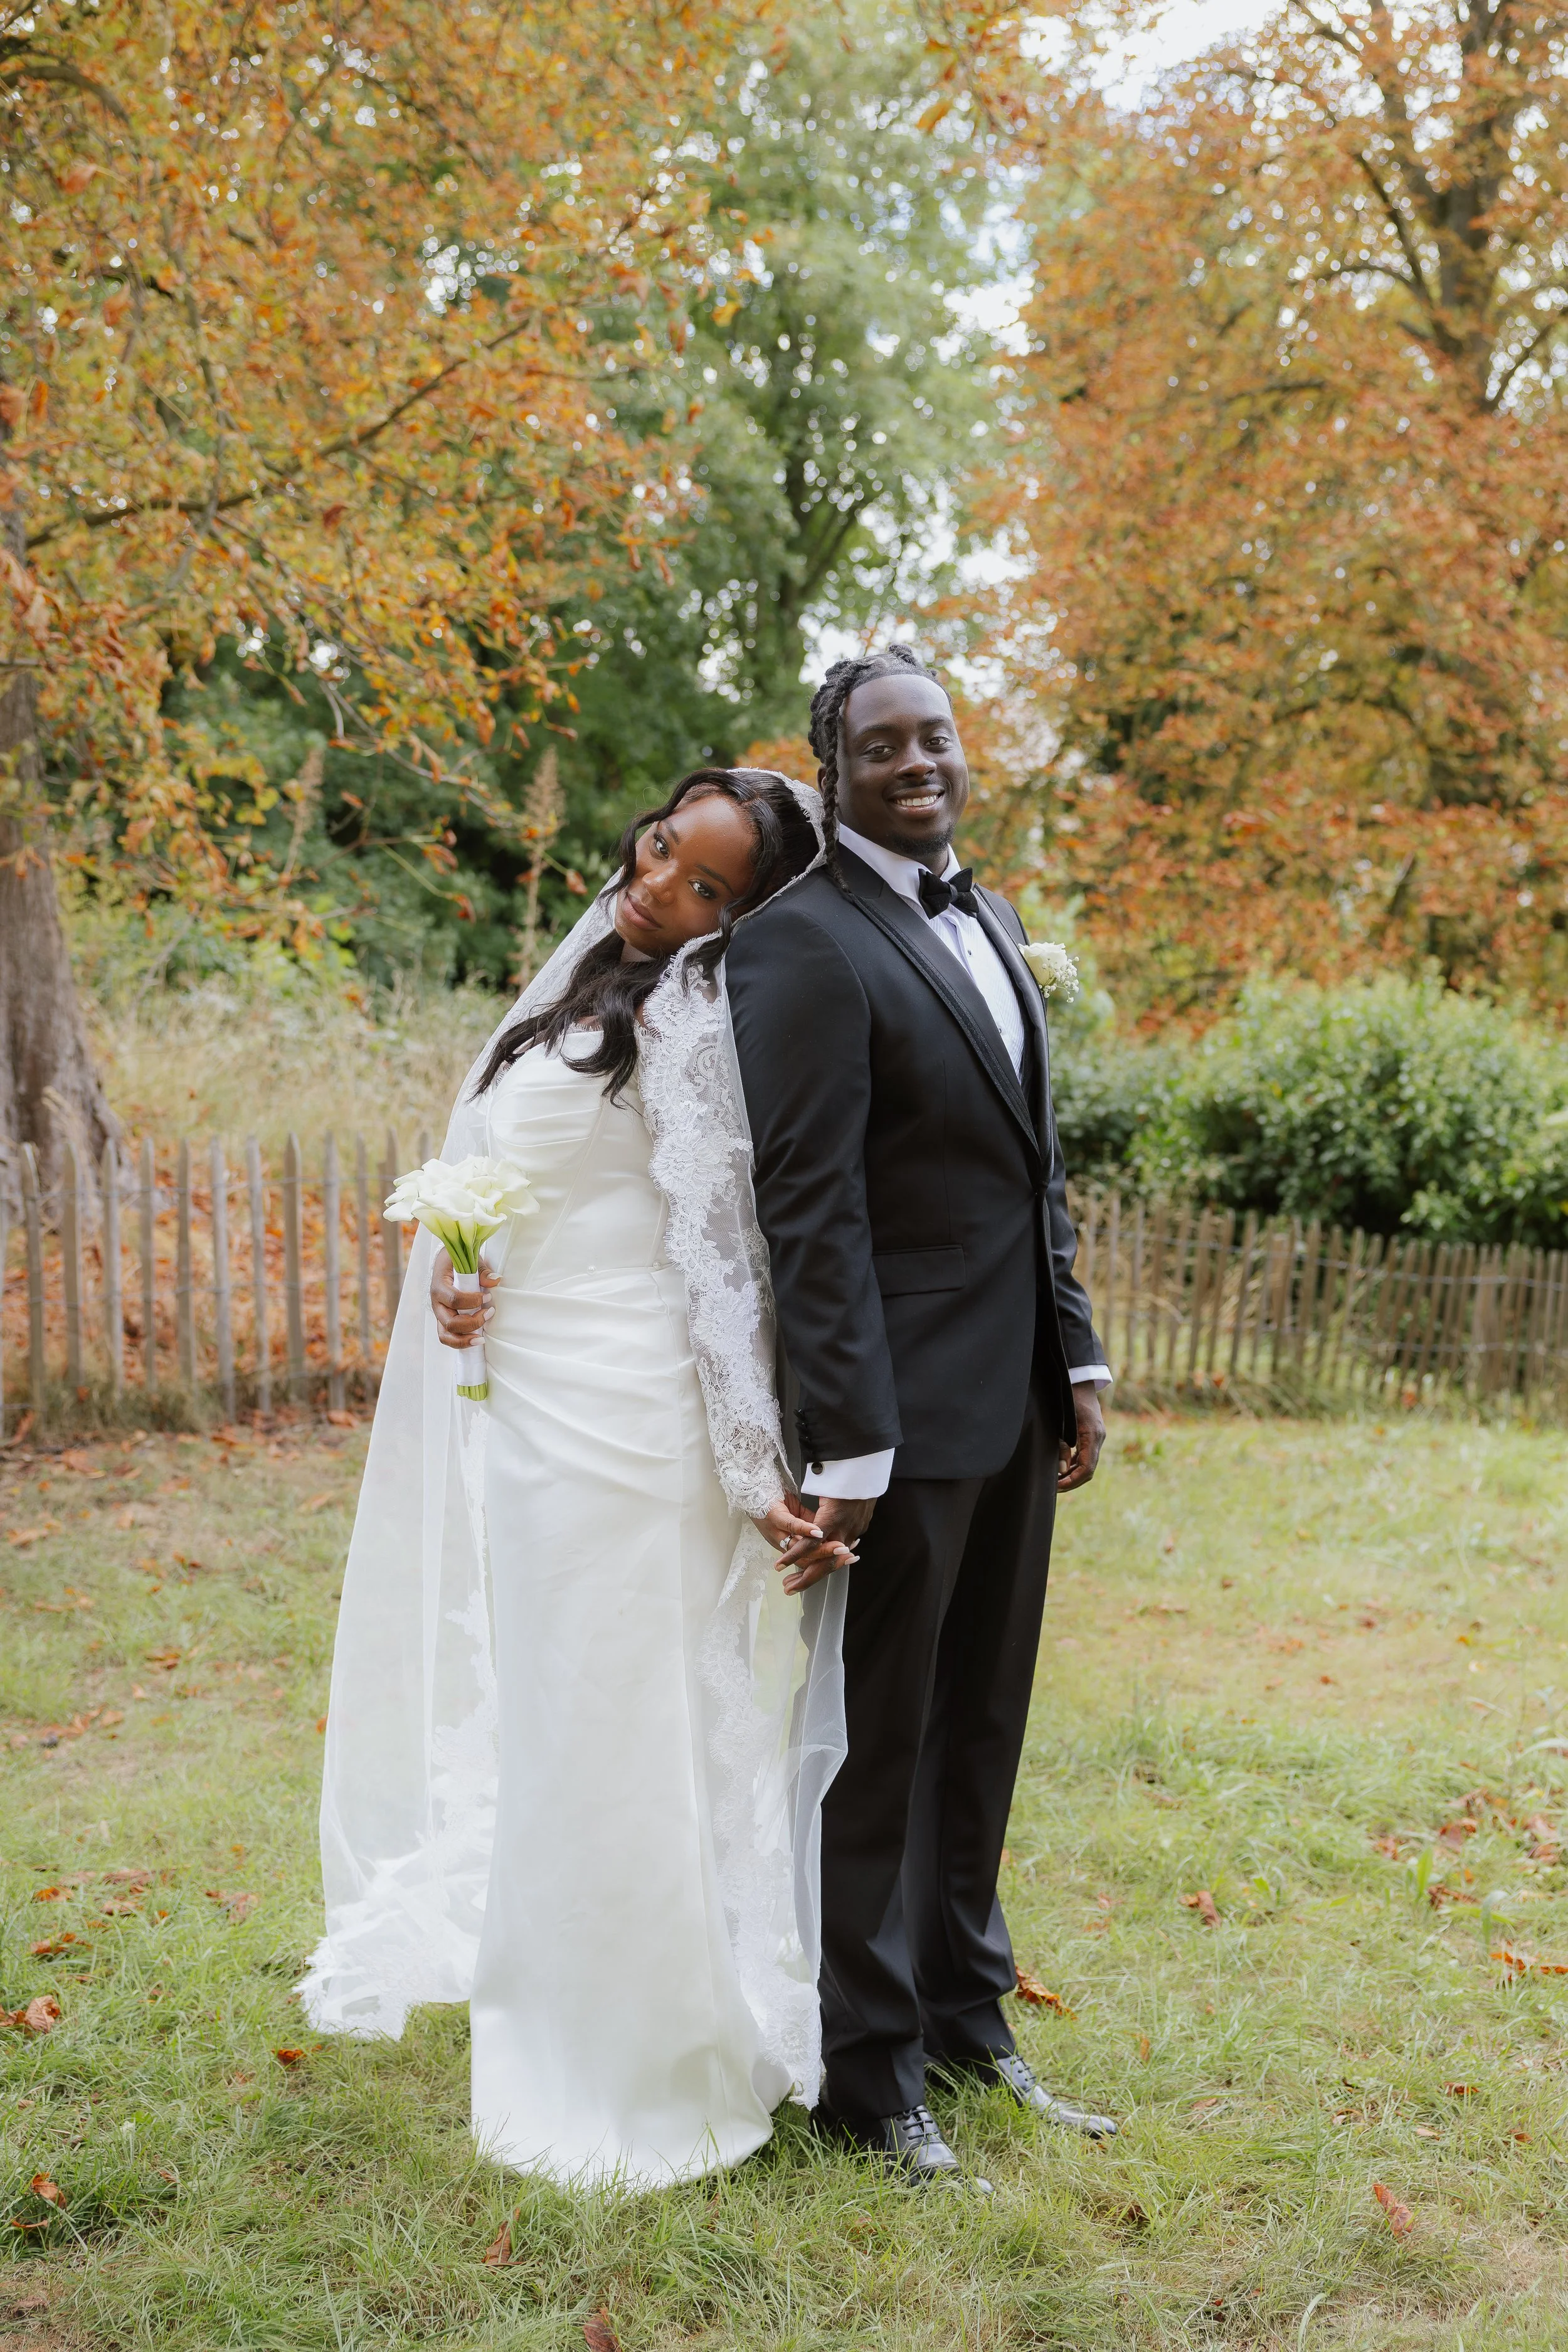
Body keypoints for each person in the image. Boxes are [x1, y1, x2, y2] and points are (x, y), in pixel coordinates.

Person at [300, 768, 854, 2190]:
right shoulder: (591, 990)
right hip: (536, 1407)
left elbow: (722, 1265)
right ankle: (543, 1999)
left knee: (626, 1718)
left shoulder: (692, 1021)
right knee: (557, 1717)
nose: (661, 884)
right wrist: (469, 1289)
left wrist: (750, 1462)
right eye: (664, 847)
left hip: (634, 1418)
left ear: (741, 919)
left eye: (707, 888)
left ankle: (642, 2062)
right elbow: (523, 1190)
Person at [723, 646, 1116, 2190]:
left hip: (1014, 1399)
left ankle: (968, 2017)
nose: (916, 763)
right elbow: (808, 1212)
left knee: (982, 1727)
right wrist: (851, 1444)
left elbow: (1036, 1170)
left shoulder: (994, 921)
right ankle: (866, 2075)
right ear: (832, 770)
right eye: (881, 745)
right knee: (874, 1749)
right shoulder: (800, 945)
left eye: (934, 736)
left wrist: (1071, 1359)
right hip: (894, 1422)